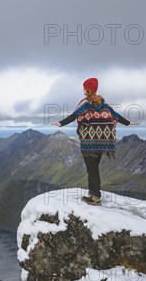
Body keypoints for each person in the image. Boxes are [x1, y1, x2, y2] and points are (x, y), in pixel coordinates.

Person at [51, 77, 139, 205]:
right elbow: (116, 116)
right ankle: (94, 193)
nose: (83, 90)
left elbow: (75, 115)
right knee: (94, 168)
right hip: (102, 143)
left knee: (92, 170)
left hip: (89, 143)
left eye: (84, 88)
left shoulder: (86, 104)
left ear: (87, 90)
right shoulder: (104, 104)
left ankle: (95, 197)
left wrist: (61, 123)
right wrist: (128, 123)